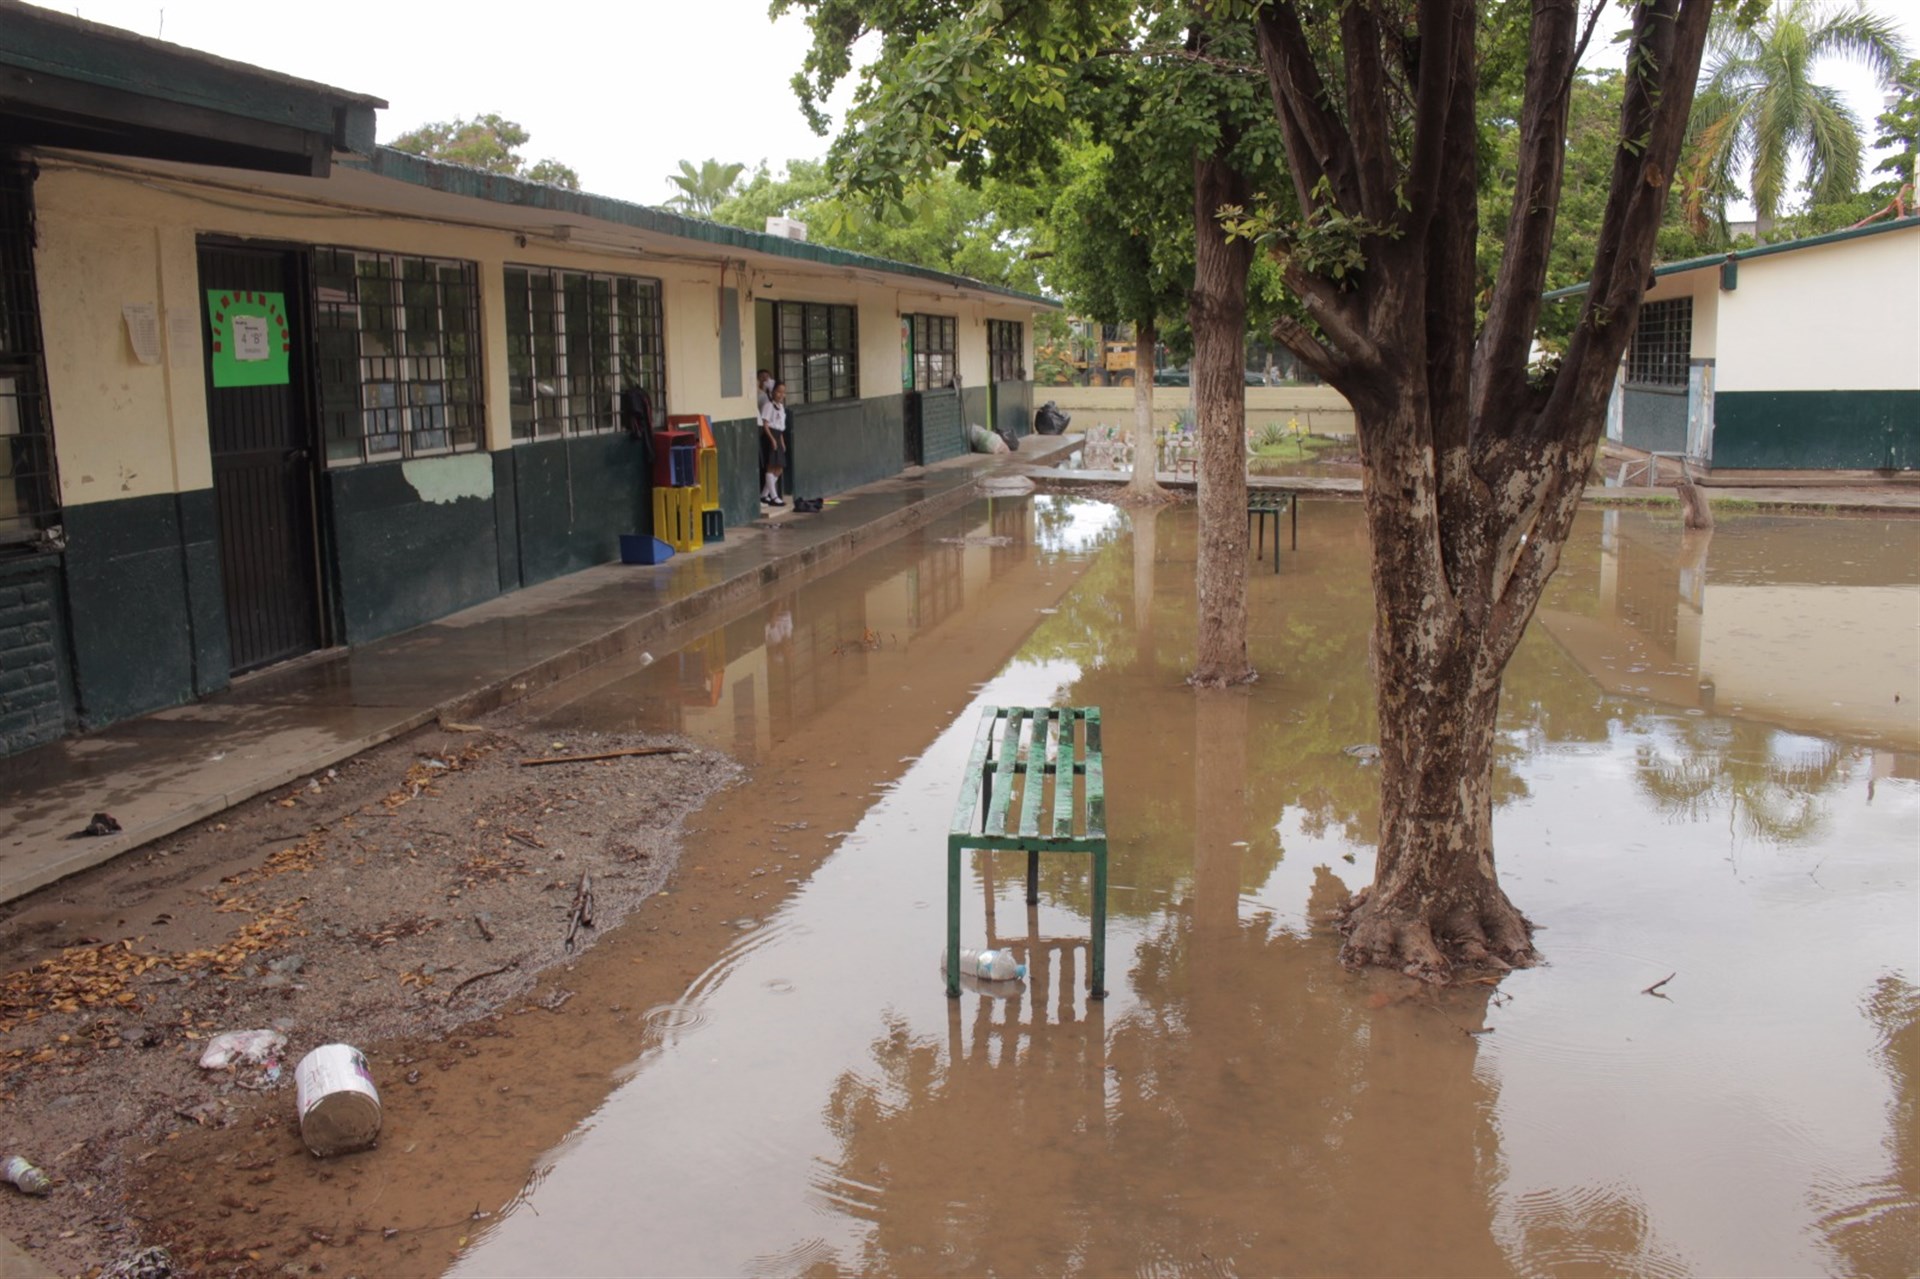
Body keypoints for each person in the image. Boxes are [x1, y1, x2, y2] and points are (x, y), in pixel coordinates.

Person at [760, 380, 788, 506]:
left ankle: (764, 494)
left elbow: (781, 427)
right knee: (771, 466)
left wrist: (781, 442)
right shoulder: (768, 405)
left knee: (779, 468)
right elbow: (765, 424)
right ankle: (774, 496)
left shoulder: (781, 407)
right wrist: (772, 439)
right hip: (770, 435)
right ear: (773, 392)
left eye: (783, 392)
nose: (781, 395)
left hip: (778, 435)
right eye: (778, 392)